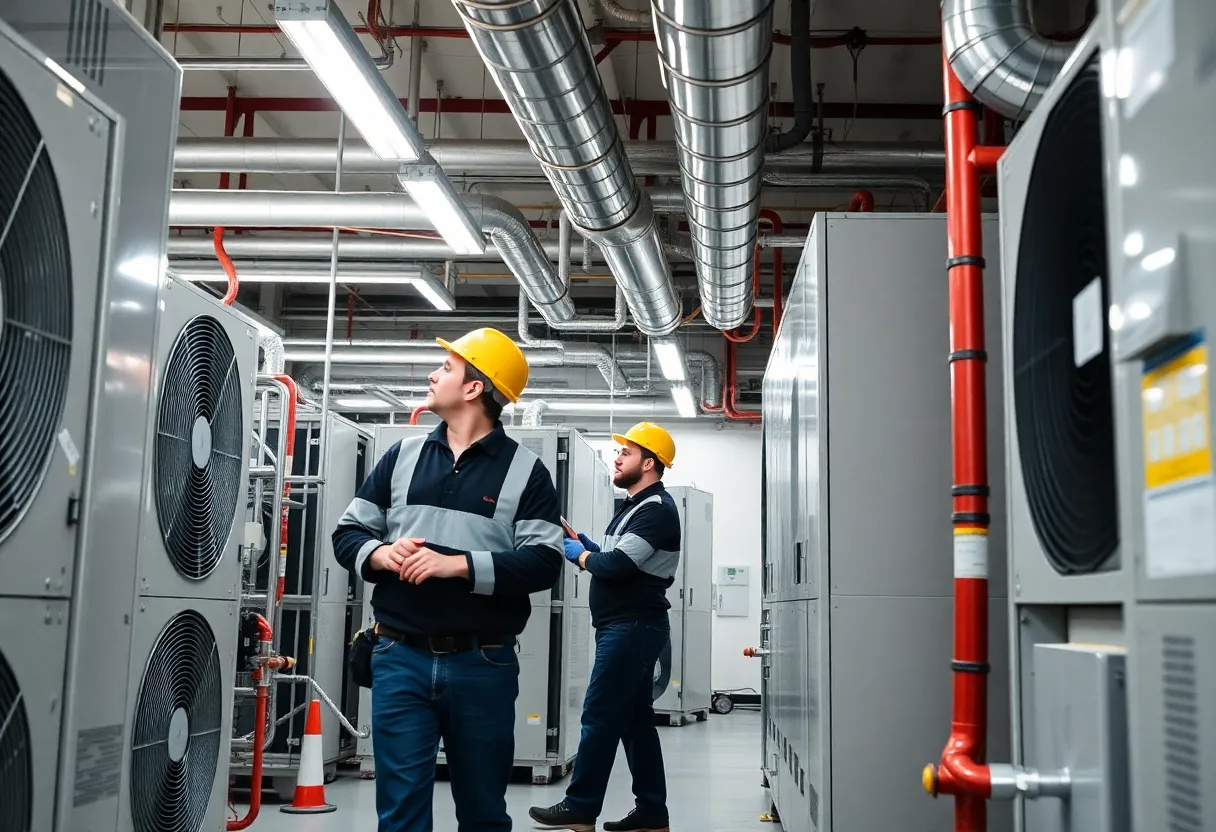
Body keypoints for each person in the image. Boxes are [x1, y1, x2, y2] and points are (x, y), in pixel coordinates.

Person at [332, 327, 564, 832]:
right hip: (398, 657)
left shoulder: (528, 472)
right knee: (399, 813)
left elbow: (545, 562)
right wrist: (382, 553)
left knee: (483, 813)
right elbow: (347, 534)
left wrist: (455, 564)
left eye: (447, 367)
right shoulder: (401, 458)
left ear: (475, 388)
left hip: (483, 662)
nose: (434, 374)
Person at [529, 422, 682, 832]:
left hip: (632, 627)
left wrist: (581, 556)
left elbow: (617, 567)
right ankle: (652, 812)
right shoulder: (634, 508)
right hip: (626, 626)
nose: (617, 458)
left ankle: (580, 806)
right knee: (634, 722)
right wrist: (585, 545)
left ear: (648, 463)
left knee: (599, 713)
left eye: (626, 453)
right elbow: (617, 556)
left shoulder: (656, 511)